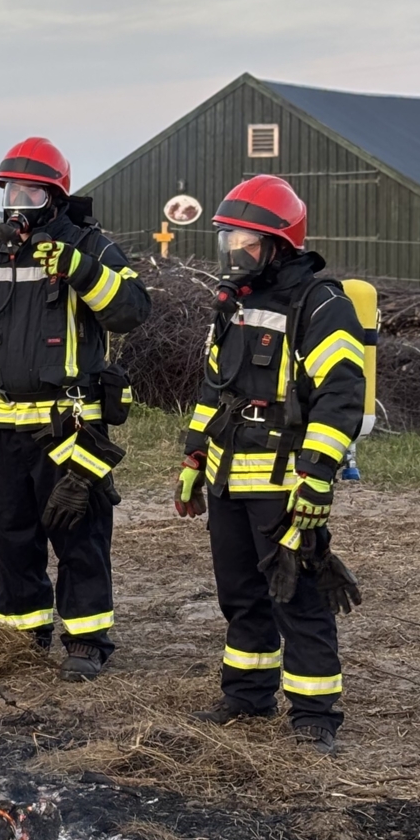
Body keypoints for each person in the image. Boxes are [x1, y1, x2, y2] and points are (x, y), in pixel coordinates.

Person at [0, 138, 150, 680]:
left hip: (69, 422)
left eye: (29, 193)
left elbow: (131, 310)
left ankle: (86, 641)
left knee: (78, 530)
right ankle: (22, 633)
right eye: (10, 191)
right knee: (9, 532)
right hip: (4, 422)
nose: (17, 202)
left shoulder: (90, 247)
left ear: (54, 197)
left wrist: (81, 270)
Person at [174, 175, 367, 755]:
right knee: (240, 594)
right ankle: (247, 696)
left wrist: (318, 476)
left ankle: (314, 715)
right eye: (228, 239)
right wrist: (194, 452)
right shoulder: (234, 302)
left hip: (285, 481)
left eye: (245, 241)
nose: (233, 251)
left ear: (279, 245)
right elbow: (215, 386)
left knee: (297, 595)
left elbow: (340, 395)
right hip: (226, 473)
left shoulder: (321, 304)